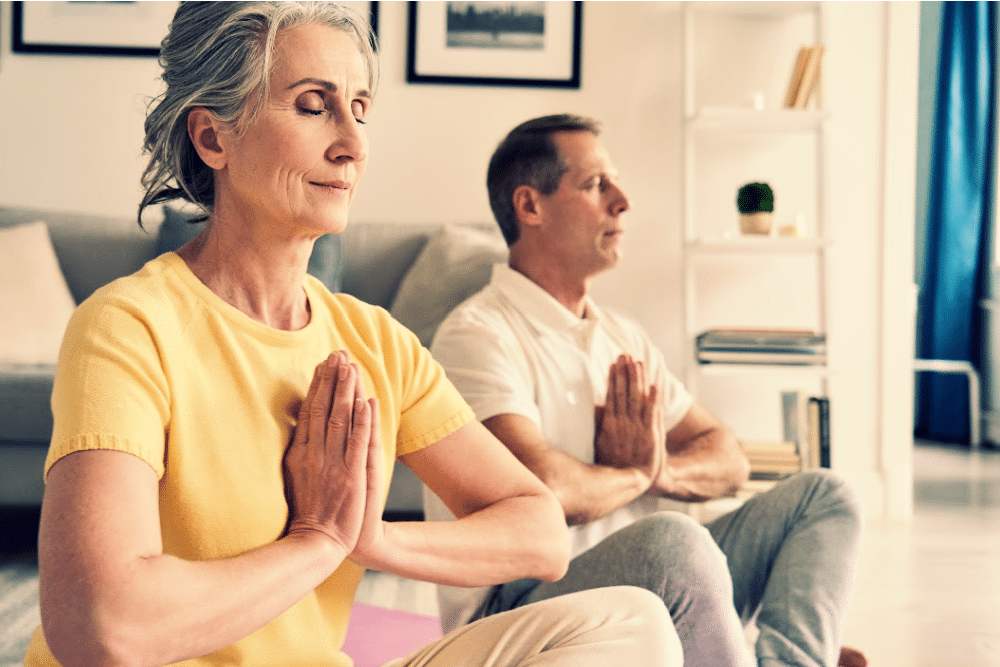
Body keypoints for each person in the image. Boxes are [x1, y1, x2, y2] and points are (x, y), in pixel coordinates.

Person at [24, 9, 684, 667]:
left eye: (360, 109)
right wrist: (315, 539)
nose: (352, 144)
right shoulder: (129, 325)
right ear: (213, 137)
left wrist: (368, 539)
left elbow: (540, 532)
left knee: (631, 620)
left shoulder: (373, 340)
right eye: (314, 106)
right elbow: (103, 627)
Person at [426, 113, 867, 667]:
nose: (623, 201)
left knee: (825, 497)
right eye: (595, 185)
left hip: (647, 587)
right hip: (518, 610)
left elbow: (727, 458)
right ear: (530, 207)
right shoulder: (477, 335)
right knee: (674, 541)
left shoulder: (621, 335)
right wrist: (633, 476)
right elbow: (541, 489)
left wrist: (656, 471)